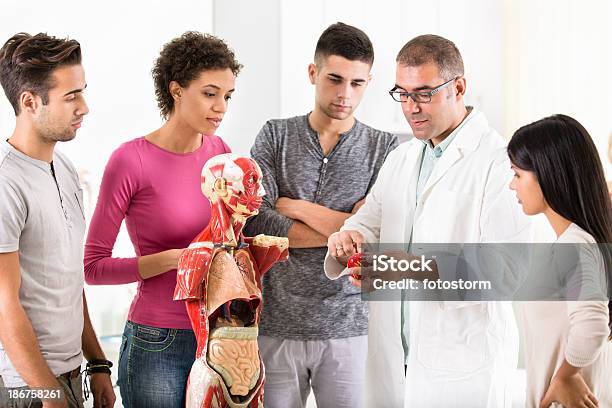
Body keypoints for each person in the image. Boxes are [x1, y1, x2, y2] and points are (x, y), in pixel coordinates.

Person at [325, 34, 531, 407]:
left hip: (463, 367)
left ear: (459, 87)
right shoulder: (402, 158)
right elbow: (370, 220)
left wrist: (399, 267)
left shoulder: (499, 162)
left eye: (423, 93)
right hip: (396, 358)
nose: (410, 107)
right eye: (402, 93)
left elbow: (506, 272)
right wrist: (349, 237)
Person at [244, 22, 398, 408]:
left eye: (357, 83)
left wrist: (295, 207)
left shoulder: (384, 148)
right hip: (277, 324)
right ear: (313, 73)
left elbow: (370, 236)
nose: (346, 94)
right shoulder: (275, 136)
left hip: (350, 327)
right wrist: (345, 221)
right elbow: (258, 222)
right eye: (335, 79)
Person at [83, 32, 239, 408]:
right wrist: (176, 260)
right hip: (157, 342)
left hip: (218, 338)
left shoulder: (220, 153)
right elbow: (94, 267)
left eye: (228, 96)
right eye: (210, 93)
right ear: (176, 90)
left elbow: (226, 240)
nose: (221, 107)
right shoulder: (130, 161)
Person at [0, 33, 115, 408]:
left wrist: (97, 361)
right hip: (26, 389)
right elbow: (5, 305)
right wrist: (49, 394)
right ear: (30, 102)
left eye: (82, 92)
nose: (84, 107)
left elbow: (68, 278)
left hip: (70, 376)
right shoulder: (6, 182)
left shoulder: (63, 168)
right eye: (71, 96)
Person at [508, 114, 612, 408]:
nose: (512, 185)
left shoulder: (575, 245)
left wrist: (565, 377)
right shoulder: (579, 243)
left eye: (517, 174)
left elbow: (592, 326)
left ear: (547, 174)